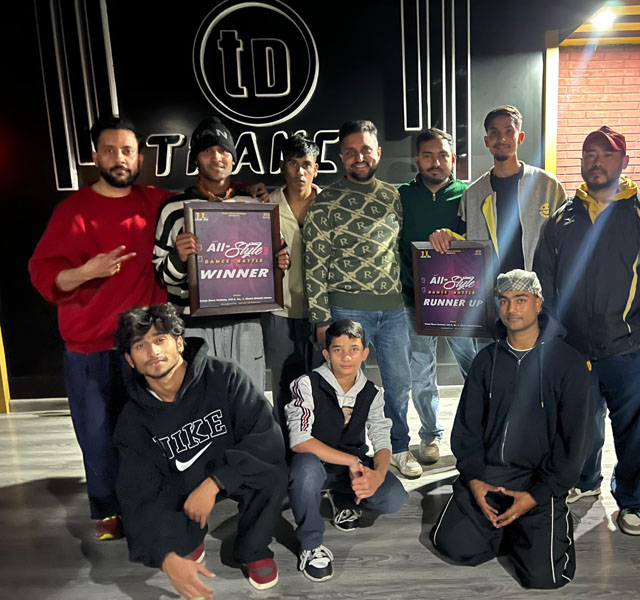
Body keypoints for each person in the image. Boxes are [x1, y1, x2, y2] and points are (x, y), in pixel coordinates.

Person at [533, 126, 640, 536]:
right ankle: (585, 481)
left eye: (607, 154)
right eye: (589, 155)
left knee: (635, 433)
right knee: (579, 424)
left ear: (624, 161)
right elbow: (545, 282)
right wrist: (553, 339)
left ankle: (632, 503)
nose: (596, 162)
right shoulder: (562, 219)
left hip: (629, 349)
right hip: (573, 349)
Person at [29, 115, 172, 540]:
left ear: (139, 157)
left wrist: (251, 192)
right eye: (109, 151)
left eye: (127, 151)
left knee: (150, 429)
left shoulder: (156, 202)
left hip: (144, 345)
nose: (119, 158)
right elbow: (42, 274)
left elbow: (205, 203)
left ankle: (149, 500)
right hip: (89, 346)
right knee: (96, 435)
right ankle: (107, 508)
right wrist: (85, 272)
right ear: (95, 157)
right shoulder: (72, 211)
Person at [430, 269, 592, 589]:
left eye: (520, 300)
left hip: (539, 478)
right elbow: (466, 428)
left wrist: (539, 494)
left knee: (545, 578)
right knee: (453, 546)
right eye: (504, 301)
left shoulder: (568, 363)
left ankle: (538, 523)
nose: (511, 309)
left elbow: (576, 441)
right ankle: (508, 530)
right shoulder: (486, 360)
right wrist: (474, 480)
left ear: (538, 303)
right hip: (490, 474)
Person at [113, 304, 287, 596]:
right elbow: (137, 495)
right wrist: (166, 558)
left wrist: (216, 482)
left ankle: (253, 549)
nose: (153, 351)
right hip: (181, 486)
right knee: (163, 512)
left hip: (228, 468)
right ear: (130, 360)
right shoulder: (132, 420)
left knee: (273, 473)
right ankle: (188, 539)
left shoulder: (225, 376)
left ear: (179, 343)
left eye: (160, 339)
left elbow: (267, 437)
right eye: (140, 345)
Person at [303, 120, 419, 478]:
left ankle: (398, 447)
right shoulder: (326, 201)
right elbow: (314, 264)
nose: (359, 157)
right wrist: (322, 320)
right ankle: (354, 453)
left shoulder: (392, 196)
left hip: (393, 310)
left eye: (366, 149)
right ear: (341, 157)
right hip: (347, 311)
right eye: (351, 152)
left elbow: (396, 250)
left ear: (378, 152)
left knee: (398, 385)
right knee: (349, 391)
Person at [153, 116, 288, 392]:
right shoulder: (173, 209)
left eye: (224, 150)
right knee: (203, 402)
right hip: (192, 324)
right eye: (207, 150)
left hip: (246, 321)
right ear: (195, 159)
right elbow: (161, 275)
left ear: (233, 158)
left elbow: (274, 261)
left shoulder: (254, 205)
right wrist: (179, 257)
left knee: (249, 400)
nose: (216, 157)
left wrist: (280, 263)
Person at [285, 319, 408, 582]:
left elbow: (382, 439)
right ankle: (311, 545)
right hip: (314, 464)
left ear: (365, 353)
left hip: (346, 469)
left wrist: (377, 474)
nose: (346, 357)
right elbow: (300, 440)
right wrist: (352, 461)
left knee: (393, 496)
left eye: (354, 349)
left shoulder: (372, 392)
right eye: (338, 349)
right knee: (306, 470)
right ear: (326, 354)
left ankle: (342, 500)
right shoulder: (306, 383)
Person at [398, 128, 477, 464]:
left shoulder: (469, 195)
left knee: (475, 369)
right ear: (417, 159)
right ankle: (430, 434)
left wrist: (455, 237)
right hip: (414, 300)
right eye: (428, 155)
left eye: (443, 155)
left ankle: (479, 431)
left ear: (453, 160)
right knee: (421, 373)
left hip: (459, 300)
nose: (435, 162)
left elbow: (480, 240)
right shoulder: (401, 196)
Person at [429, 105, 566, 276]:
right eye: (494, 132)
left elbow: (565, 244)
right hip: (489, 289)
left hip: (538, 289)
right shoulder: (473, 194)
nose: (501, 138)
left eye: (509, 131)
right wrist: (446, 236)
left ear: (520, 137)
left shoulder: (548, 186)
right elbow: (464, 247)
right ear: (487, 141)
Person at [261, 134, 324, 437]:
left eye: (306, 165)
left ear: (316, 169)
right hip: (280, 309)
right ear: (282, 167)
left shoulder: (329, 204)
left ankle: (320, 444)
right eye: (292, 164)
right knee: (284, 384)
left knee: (322, 383)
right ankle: (286, 446)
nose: (300, 172)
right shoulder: (265, 206)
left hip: (323, 310)